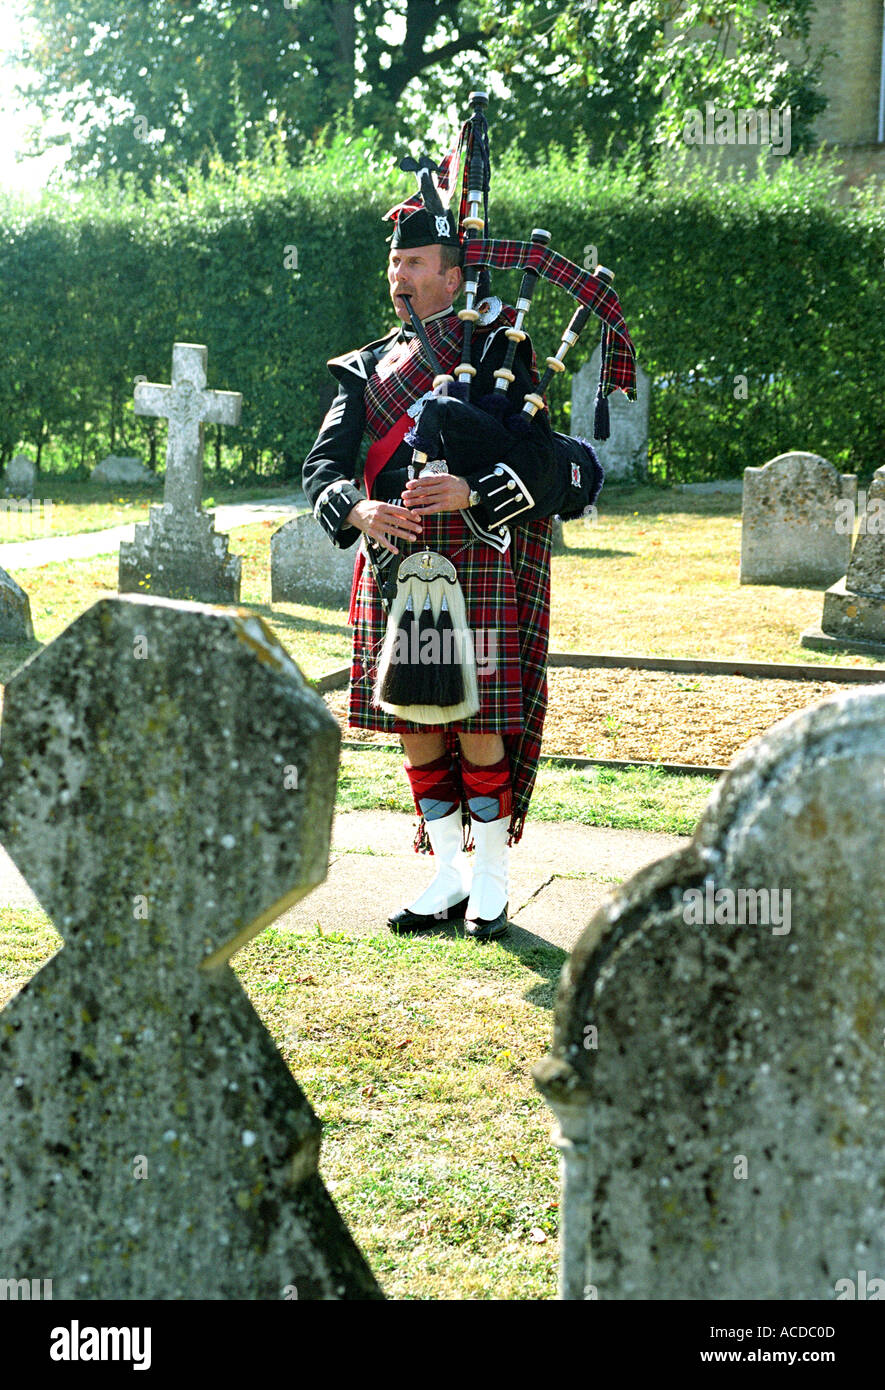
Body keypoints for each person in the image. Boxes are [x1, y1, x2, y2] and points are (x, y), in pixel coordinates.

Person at [302, 162, 561, 942]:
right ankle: (445, 872)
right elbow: (321, 469)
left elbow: (545, 462)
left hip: (474, 564)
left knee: (477, 721)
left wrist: (473, 492)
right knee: (418, 720)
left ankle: (490, 881)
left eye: (414, 263)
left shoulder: (504, 351)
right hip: (394, 566)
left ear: (451, 276)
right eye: (393, 262)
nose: (398, 275)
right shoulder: (364, 366)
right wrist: (360, 506)